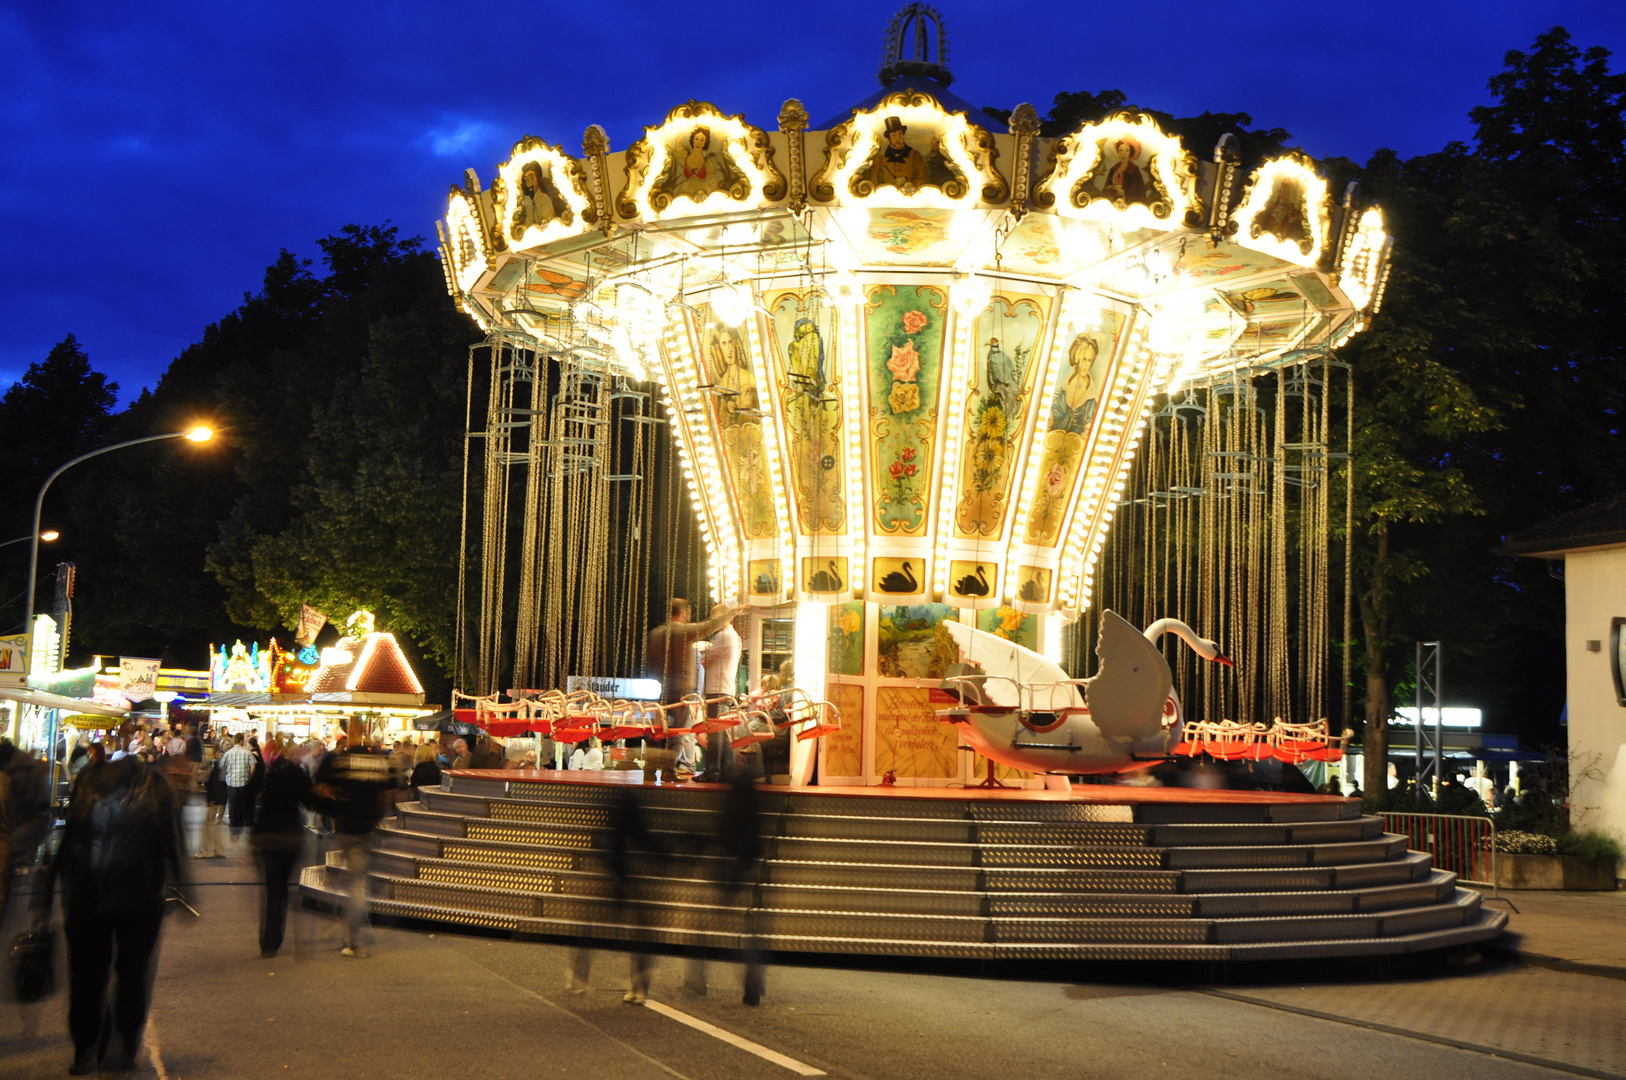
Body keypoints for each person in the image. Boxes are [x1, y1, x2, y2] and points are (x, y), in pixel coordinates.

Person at [31, 754, 186, 1074]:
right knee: (87, 975)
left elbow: (171, 837)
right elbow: (68, 837)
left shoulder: (155, 786)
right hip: (88, 897)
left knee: (132, 974)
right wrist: (44, 891)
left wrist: (181, 883)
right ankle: (84, 1044)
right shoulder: (86, 783)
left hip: (139, 899)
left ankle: (127, 1040)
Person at [312, 741, 395, 957]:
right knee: (359, 882)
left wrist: (337, 806)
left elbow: (322, 787)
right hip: (368, 829)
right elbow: (391, 793)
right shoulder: (381, 764)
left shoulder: (344, 763)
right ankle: (353, 928)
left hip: (349, 828)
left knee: (354, 884)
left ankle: (352, 937)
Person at [646, 598, 743, 772]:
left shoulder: (655, 634)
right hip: (683, 691)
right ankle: (669, 771)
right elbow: (710, 625)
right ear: (683, 614)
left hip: (662, 689)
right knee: (679, 733)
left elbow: (650, 665)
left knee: (657, 731)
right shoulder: (683, 632)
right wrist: (734, 611)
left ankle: (650, 770)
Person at [252, 747, 318, 957]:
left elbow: (263, 804)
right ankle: (276, 934)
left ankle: (269, 939)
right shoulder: (297, 776)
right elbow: (310, 801)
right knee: (282, 887)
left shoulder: (272, 776)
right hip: (289, 837)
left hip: (268, 835)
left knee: (273, 889)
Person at [697, 604, 743, 783]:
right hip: (723, 688)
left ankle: (712, 771)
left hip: (717, 689)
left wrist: (702, 649)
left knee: (715, 732)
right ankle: (728, 772)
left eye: (715, 620)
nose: (713, 624)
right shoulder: (733, 636)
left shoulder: (724, 636)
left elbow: (705, 659)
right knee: (721, 732)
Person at [869, 115, 929, 190]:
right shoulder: (880, 159)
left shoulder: (915, 156)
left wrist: (907, 180)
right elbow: (872, 184)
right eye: (893, 135)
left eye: (900, 134)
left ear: (903, 135)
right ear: (889, 138)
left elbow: (925, 181)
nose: (898, 138)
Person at [197, 739, 229, 858]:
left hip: (215, 798)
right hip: (222, 797)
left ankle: (204, 851)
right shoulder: (225, 764)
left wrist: (210, 799)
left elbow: (214, 783)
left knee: (208, 823)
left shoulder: (217, 764)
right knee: (216, 824)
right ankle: (219, 850)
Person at [221, 733, 256, 841]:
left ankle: (233, 821)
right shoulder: (247, 752)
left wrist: (226, 774)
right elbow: (253, 765)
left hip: (231, 781)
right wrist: (249, 775)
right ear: (241, 741)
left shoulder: (228, 753)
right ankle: (240, 820)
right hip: (244, 781)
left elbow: (222, 766)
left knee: (232, 802)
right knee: (242, 802)